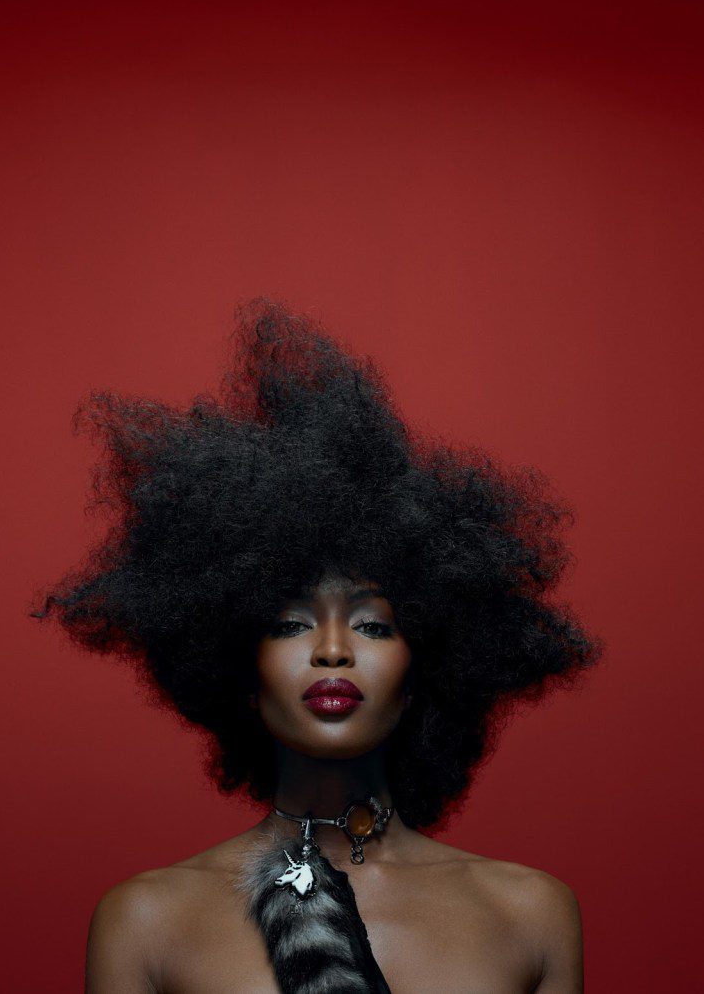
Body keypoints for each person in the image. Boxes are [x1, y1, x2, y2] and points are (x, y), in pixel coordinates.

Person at [35, 299, 601, 992]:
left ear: (425, 667)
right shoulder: (147, 921)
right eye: (291, 623)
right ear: (242, 670)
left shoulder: (530, 914)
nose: (333, 650)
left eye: (372, 625)